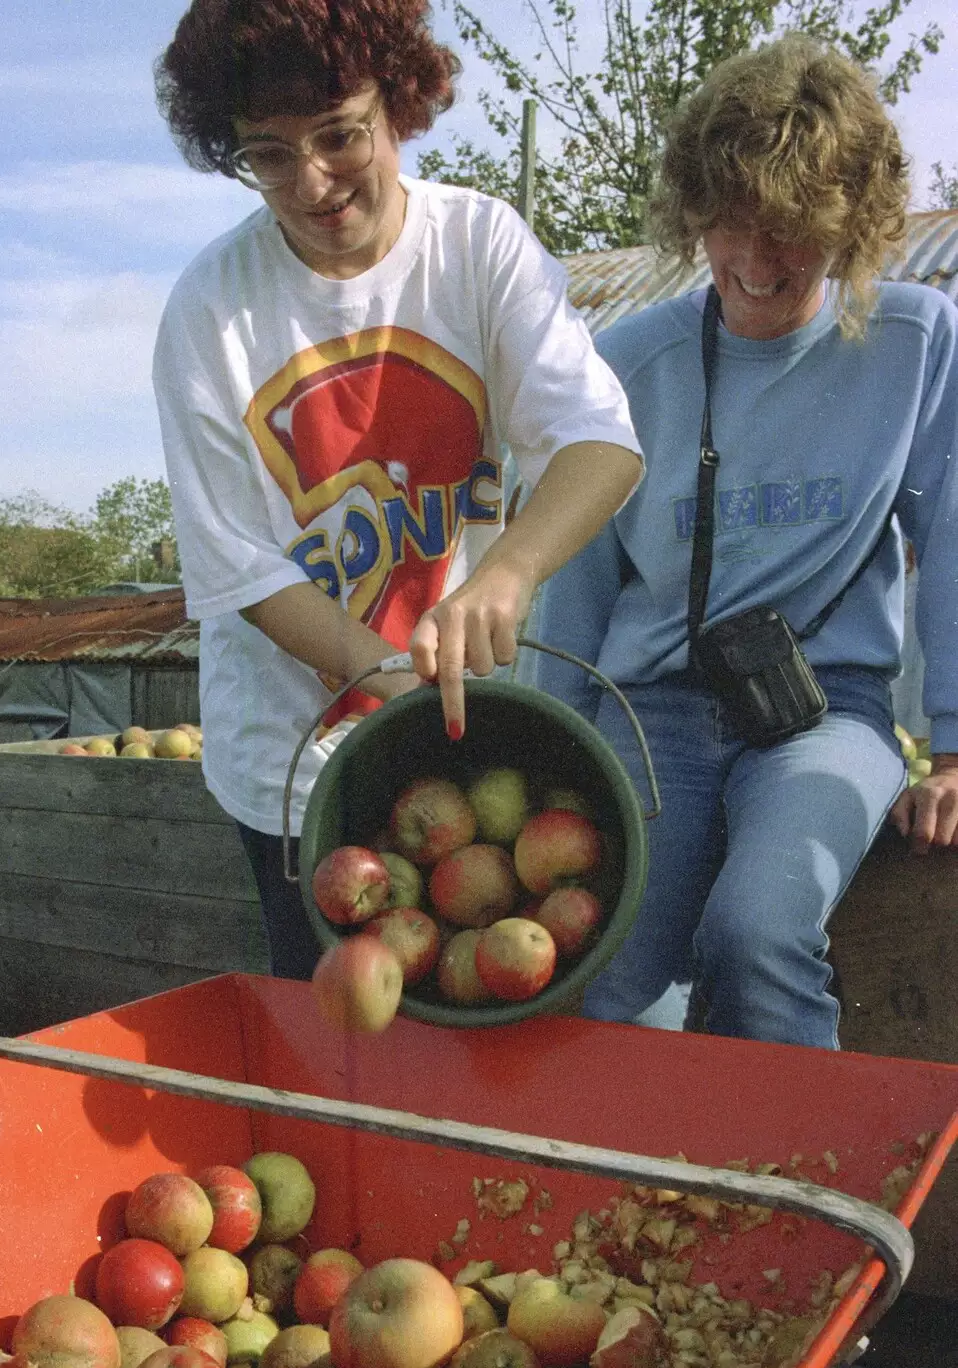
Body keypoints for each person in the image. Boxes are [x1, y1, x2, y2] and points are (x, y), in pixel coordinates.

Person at [151, 0, 643, 978]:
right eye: (269, 155)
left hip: (464, 732)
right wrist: (379, 677)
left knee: (479, 1012)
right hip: (292, 767)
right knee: (345, 1036)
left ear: (400, 107)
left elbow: (598, 442)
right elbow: (238, 568)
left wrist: (505, 574)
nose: (312, 182)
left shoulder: (478, 248)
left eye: (340, 138)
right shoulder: (210, 312)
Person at [537, 33, 958, 1050]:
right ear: (692, 209)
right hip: (648, 718)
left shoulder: (912, 342)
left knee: (757, 931)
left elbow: (949, 538)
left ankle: (795, 1197)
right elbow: (576, 576)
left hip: (824, 714)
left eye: (792, 233)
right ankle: (645, 1194)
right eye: (733, 226)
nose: (758, 263)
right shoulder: (625, 360)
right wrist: (552, 746)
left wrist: (953, 745)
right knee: (600, 976)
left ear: (850, 230)